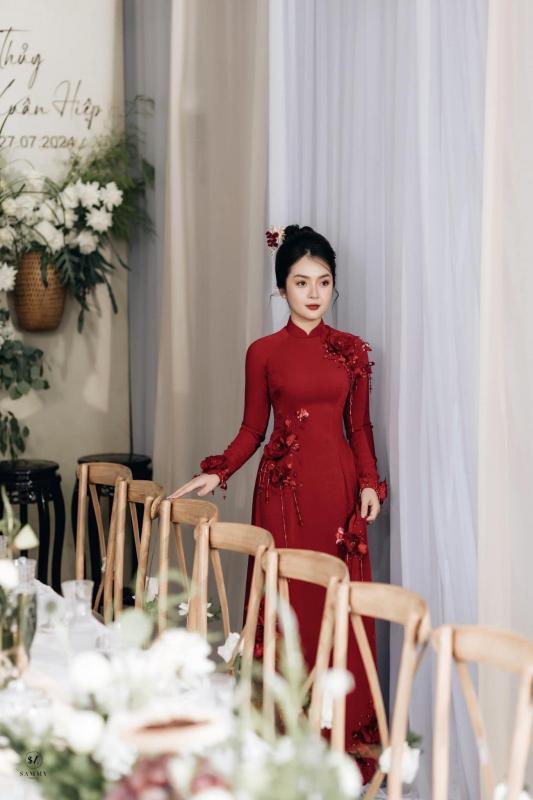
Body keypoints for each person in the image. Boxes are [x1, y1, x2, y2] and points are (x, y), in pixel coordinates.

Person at [169, 224, 387, 781]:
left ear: (334, 285)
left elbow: (360, 428)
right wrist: (217, 470)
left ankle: (339, 744)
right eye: (300, 282)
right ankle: (282, 738)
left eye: (323, 281)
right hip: (283, 498)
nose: (313, 293)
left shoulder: (353, 351)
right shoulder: (263, 352)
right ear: (282, 287)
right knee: (288, 607)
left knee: (336, 605)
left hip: (339, 497)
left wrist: (369, 483)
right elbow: (252, 428)